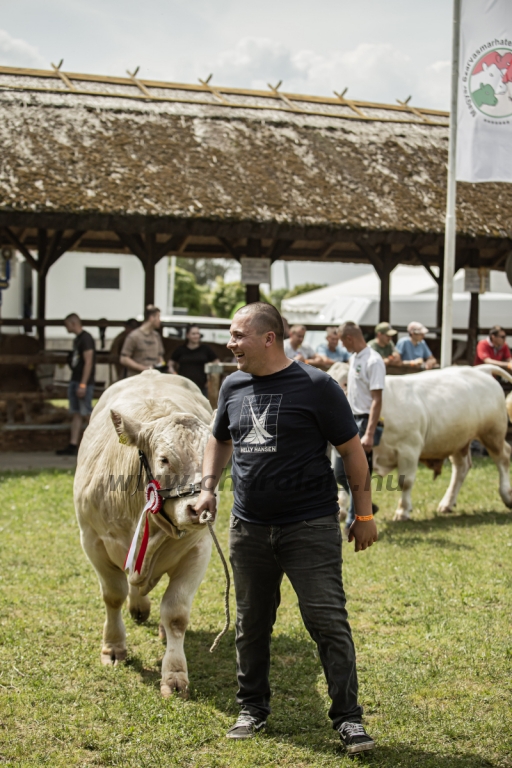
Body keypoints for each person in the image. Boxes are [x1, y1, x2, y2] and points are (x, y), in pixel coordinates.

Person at [192, 303, 377, 755]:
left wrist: (364, 513)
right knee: (251, 623)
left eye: (238, 335)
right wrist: (207, 487)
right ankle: (252, 708)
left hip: (309, 527)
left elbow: (352, 451)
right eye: (230, 335)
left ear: (268, 338)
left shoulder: (317, 386)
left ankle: (349, 720)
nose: (231, 343)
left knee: (327, 621)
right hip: (248, 529)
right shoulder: (232, 386)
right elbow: (219, 437)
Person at [336, 322, 385, 530]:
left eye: (342, 341)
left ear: (349, 338)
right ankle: (365, 504)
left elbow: (377, 399)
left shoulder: (374, 361)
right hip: (350, 418)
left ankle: (353, 521)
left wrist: (369, 433)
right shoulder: (354, 357)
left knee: (358, 474)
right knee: (339, 472)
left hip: (364, 420)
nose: (343, 346)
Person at [56, 313, 96, 456]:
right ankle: (73, 444)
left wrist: (83, 384)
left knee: (87, 413)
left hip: (82, 381)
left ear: (73, 323)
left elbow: (89, 361)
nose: (66, 328)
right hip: (75, 379)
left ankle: (100, 442)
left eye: (67, 325)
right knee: (77, 413)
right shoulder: (78, 340)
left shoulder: (86, 339)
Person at [169, 324, 219, 396]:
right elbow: (170, 364)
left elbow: (216, 362)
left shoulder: (205, 349)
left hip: (201, 387)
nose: (196, 336)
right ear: (187, 335)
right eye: (193, 334)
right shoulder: (180, 349)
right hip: (183, 386)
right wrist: (175, 375)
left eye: (198, 333)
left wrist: (210, 378)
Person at [120, 305, 166, 375]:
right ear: (151, 318)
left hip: (153, 379)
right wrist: (144, 368)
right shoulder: (134, 336)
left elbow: (160, 357)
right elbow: (124, 359)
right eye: (158, 317)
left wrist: (163, 366)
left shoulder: (156, 336)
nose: (160, 320)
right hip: (137, 379)